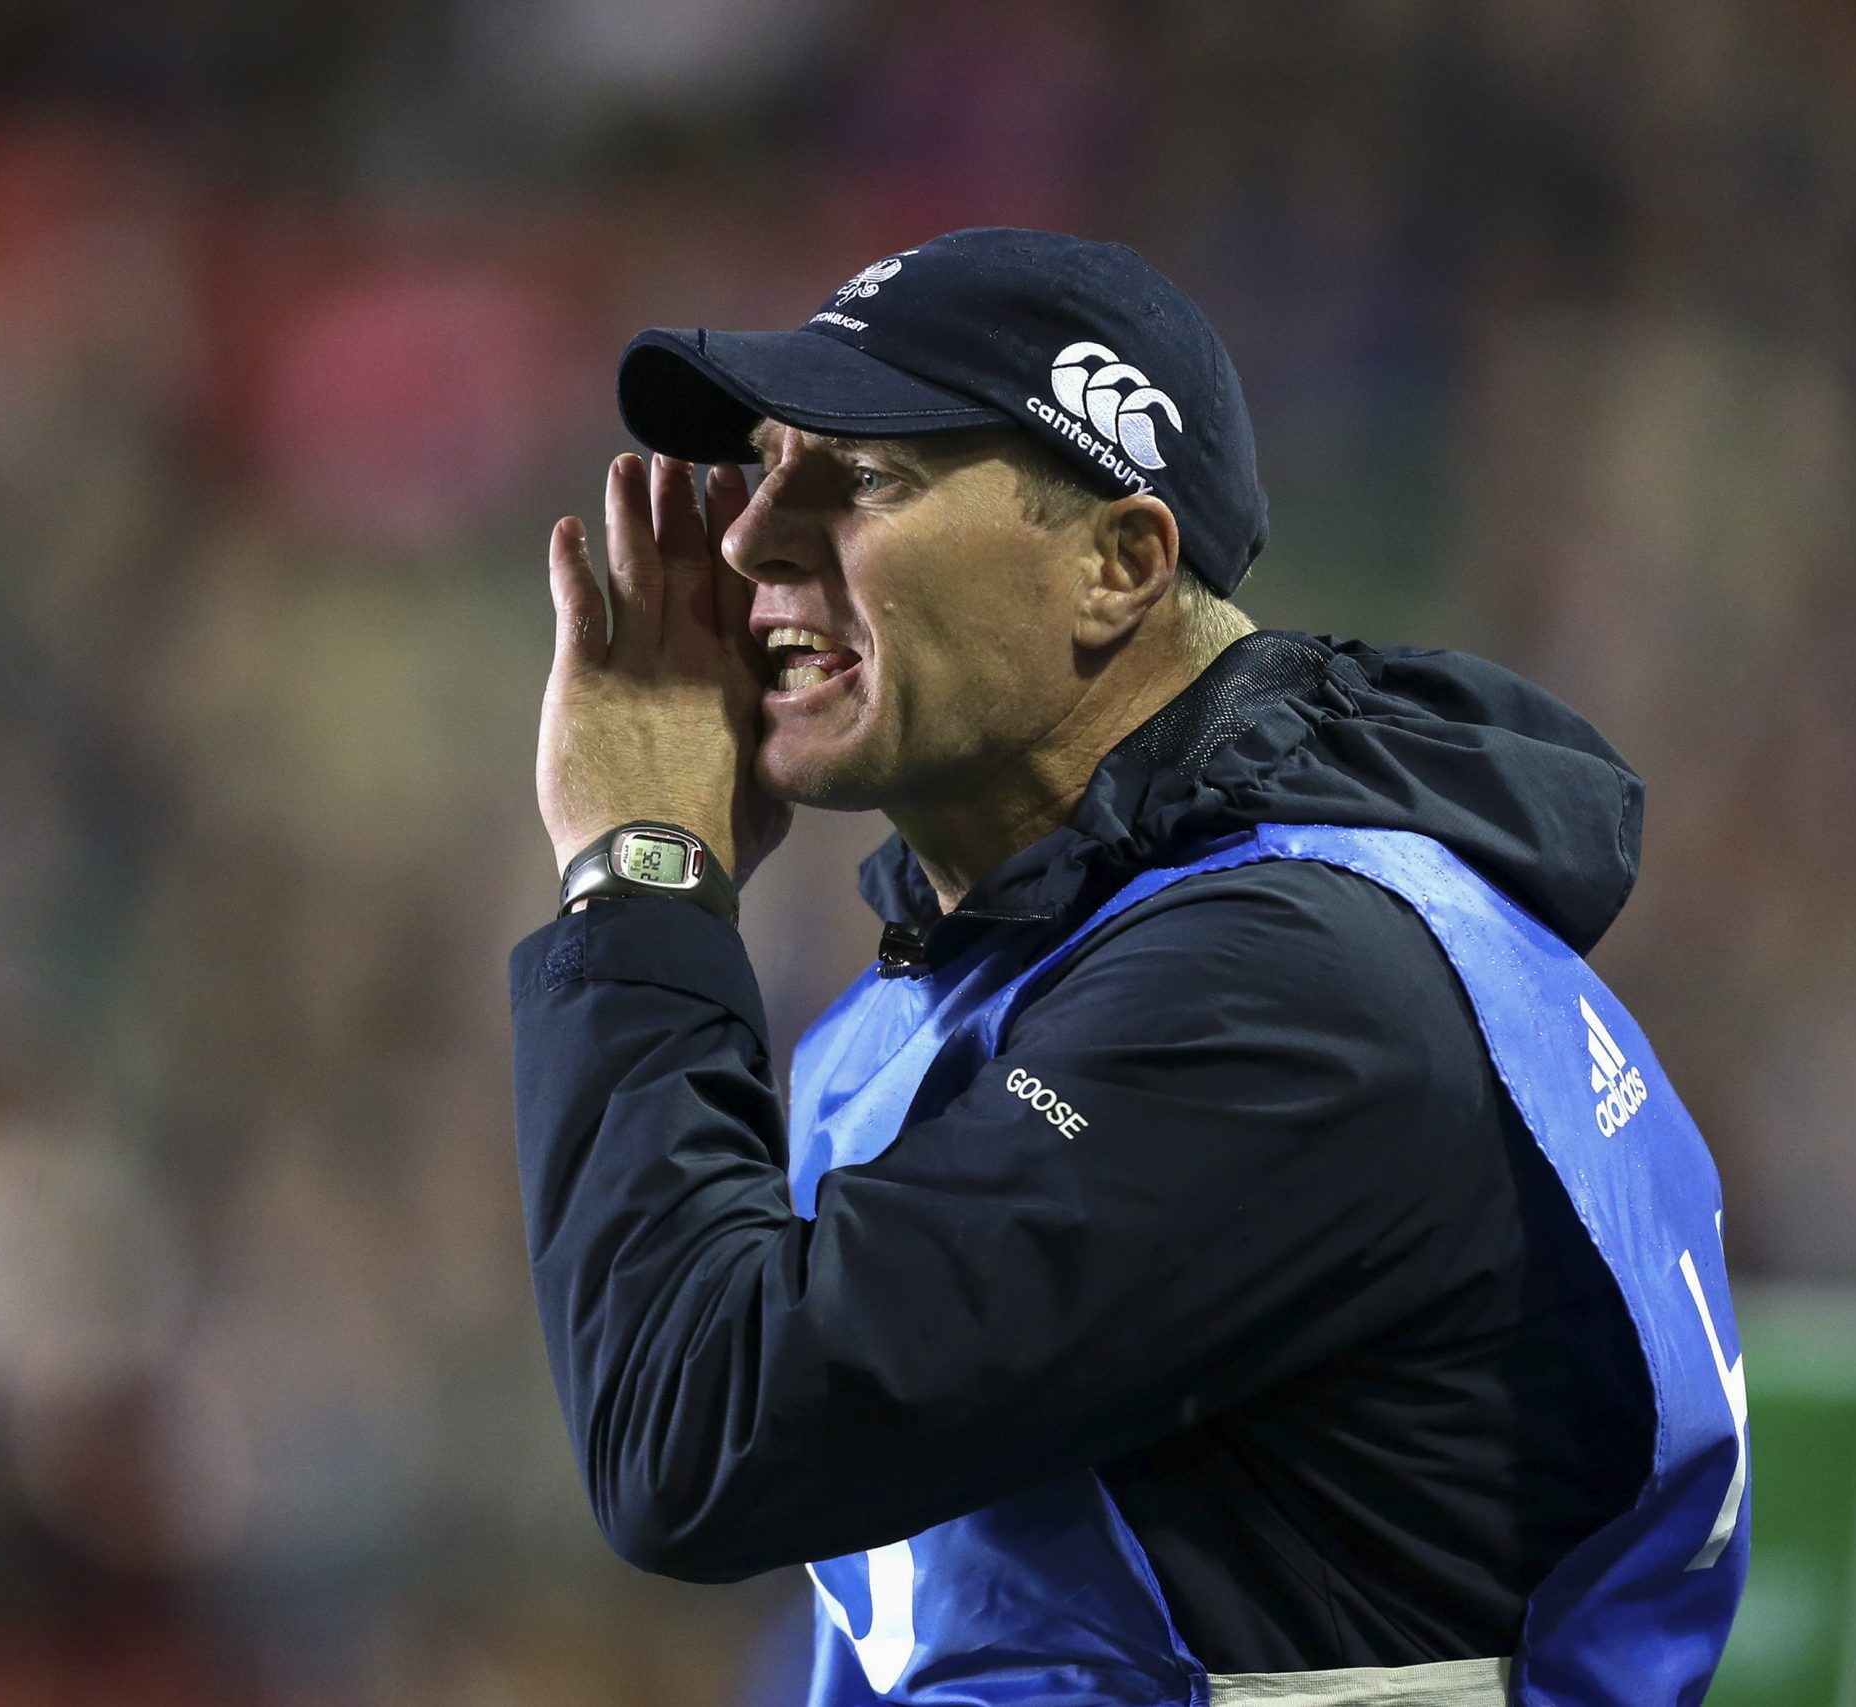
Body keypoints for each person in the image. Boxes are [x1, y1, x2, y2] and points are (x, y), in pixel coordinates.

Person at [509, 228, 1747, 1705]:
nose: (748, 539)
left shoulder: (1294, 992)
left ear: (1120, 564)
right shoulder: (954, 1000)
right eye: (768, 466)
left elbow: (699, 1442)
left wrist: (643, 878)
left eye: (864, 479)